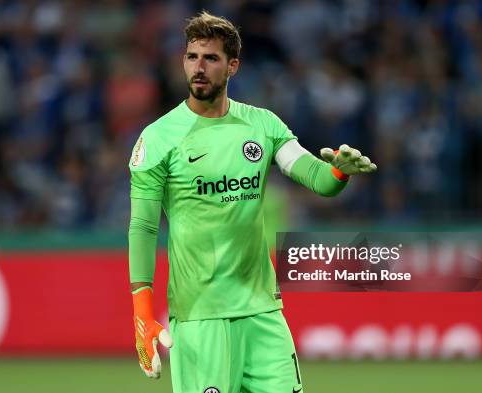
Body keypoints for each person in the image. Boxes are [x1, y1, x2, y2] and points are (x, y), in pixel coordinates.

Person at [128, 11, 376, 393]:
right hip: (200, 318)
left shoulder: (263, 125)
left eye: (211, 58)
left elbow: (315, 177)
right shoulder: (158, 138)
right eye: (192, 57)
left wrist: (338, 172)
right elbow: (143, 226)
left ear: (233, 66)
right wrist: (142, 311)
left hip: (263, 313)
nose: (199, 67)